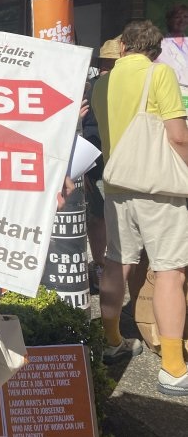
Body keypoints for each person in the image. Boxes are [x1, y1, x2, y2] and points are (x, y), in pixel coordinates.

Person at [92, 19, 188, 396]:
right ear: (156, 49)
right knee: (169, 272)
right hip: (157, 188)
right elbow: (177, 136)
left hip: (117, 186)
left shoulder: (102, 83)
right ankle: (172, 366)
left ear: (124, 47)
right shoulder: (159, 74)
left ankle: (112, 341)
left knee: (117, 261)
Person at [82, 36, 121, 289]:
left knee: (101, 216)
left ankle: (101, 265)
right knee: (108, 216)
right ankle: (106, 267)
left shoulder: (93, 87)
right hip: (106, 161)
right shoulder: (99, 87)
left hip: (98, 160)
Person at [156, 3, 188, 101]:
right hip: (176, 95)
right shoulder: (161, 45)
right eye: (177, 17)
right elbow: (171, 73)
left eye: (186, 16)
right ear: (169, 20)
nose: (182, 20)